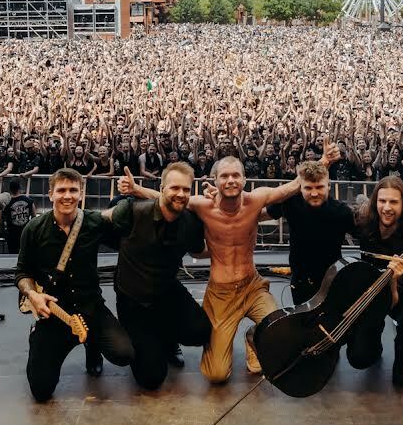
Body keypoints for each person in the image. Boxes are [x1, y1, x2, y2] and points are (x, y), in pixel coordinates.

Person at [123, 155, 302, 384]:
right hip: (221, 294)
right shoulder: (202, 205)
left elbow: (292, 187)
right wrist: (137, 189)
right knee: (216, 375)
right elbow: (167, 198)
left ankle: (254, 338)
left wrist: (325, 161)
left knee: (280, 331)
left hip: (253, 286)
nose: (230, 180)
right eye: (225, 176)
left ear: (245, 179)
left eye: (236, 175)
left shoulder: (256, 200)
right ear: (215, 180)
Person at [15, 167, 133, 401]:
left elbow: (127, 222)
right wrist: (32, 295)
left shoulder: (94, 222)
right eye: (61, 190)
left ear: (81, 193)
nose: (67, 195)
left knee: (124, 354)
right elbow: (22, 272)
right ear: (50, 195)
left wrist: (135, 193)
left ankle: (92, 347)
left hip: (91, 307)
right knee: (41, 390)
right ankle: (39, 336)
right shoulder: (34, 229)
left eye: (73, 190)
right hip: (54, 315)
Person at [108, 162, 211, 390]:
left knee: (200, 331)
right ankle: (139, 338)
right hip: (133, 299)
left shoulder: (190, 223)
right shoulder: (132, 211)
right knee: (152, 379)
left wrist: (234, 243)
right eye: (175, 188)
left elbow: (198, 250)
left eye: (186, 189)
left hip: (166, 291)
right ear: (162, 188)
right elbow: (97, 226)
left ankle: (165, 338)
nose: (181, 194)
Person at [346, 175, 403, 387]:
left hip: (399, 293)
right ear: (374, 203)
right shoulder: (364, 222)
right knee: (359, 358)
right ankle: (374, 336)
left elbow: (392, 302)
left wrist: (393, 279)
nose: (386, 207)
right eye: (382, 201)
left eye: (394, 202)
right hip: (369, 290)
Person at [266, 158, 355, 304]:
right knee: (304, 323)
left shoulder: (342, 212)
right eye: (308, 188)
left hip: (333, 279)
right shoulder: (290, 203)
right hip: (300, 279)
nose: (314, 193)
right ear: (299, 188)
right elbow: (262, 211)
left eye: (319, 187)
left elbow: (365, 235)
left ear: (329, 186)